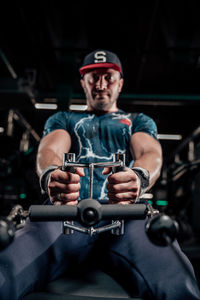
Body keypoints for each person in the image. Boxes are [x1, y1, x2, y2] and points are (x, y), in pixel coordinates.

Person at [0, 49, 199, 300]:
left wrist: (138, 176)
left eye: (109, 77)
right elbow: (50, 149)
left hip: (125, 217)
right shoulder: (64, 119)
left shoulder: (137, 120)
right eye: (93, 77)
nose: (101, 84)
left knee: (178, 284)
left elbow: (150, 152)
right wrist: (51, 173)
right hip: (64, 214)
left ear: (120, 83)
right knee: (3, 270)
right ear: (83, 83)